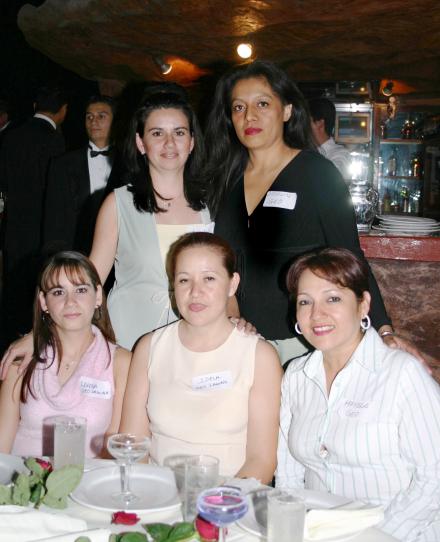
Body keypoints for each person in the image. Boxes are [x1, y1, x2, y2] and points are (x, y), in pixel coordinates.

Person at [206, 60, 400, 365]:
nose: (250, 116)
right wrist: (231, 316)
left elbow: (350, 254)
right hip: (243, 340)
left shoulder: (317, 173)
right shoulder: (227, 178)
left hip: (306, 342)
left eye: (263, 103)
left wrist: (383, 329)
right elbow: (224, 261)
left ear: (287, 111)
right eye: (239, 107)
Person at [276, 247, 440, 542]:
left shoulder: (401, 374)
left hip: (401, 534)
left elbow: (435, 480)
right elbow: (288, 472)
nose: (317, 314)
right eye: (305, 301)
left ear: (363, 305)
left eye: (333, 298)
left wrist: (377, 536)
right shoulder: (296, 376)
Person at [119, 232, 282, 482]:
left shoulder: (260, 356)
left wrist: (214, 510)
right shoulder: (149, 347)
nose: (195, 292)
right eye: (184, 280)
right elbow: (134, 446)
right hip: (157, 496)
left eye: (209, 279)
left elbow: (262, 460)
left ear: (232, 284)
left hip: (230, 503)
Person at [89, 89, 213, 349]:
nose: (170, 143)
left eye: (179, 133)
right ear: (140, 143)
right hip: (129, 341)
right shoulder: (118, 204)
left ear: (191, 142)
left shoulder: (210, 205)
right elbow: (90, 282)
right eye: (157, 133)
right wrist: (41, 335)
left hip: (195, 341)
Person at [0, 251, 131, 458]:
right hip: (23, 482)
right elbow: (2, 451)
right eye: (58, 292)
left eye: (80, 289)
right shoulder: (20, 361)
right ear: (44, 302)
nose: (70, 302)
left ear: (97, 296)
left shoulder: (121, 363)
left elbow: (114, 451)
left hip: (90, 483)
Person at [0, 86, 68, 348]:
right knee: (36, 286)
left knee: (12, 285)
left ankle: (8, 341)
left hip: (15, 224)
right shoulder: (53, 139)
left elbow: (4, 180)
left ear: (34, 107)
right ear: (63, 111)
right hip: (41, 226)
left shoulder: (12, 136)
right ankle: (35, 339)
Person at [43, 95, 117, 255]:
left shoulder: (128, 163)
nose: (93, 121)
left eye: (101, 116)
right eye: (89, 116)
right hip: (75, 252)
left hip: (118, 252)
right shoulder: (62, 164)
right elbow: (53, 218)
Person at [308, 97, 352, 181]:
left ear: (319, 123)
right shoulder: (310, 151)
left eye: (306, 121)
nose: (302, 126)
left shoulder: (340, 154)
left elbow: (331, 178)